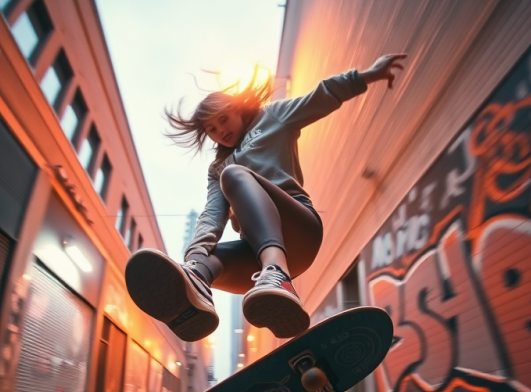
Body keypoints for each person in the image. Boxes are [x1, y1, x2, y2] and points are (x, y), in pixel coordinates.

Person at [125, 53, 406, 342]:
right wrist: (195, 257)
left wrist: (368, 75)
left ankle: (277, 272)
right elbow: (212, 214)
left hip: (299, 230)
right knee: (206, 259)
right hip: (254, 253)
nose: (221, 131)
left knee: (234, 175)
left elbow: (320, 97)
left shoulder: (272, 117)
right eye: (212, 129)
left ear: (237, 110)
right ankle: (196, 292)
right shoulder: (217, 168)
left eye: (224, 119)